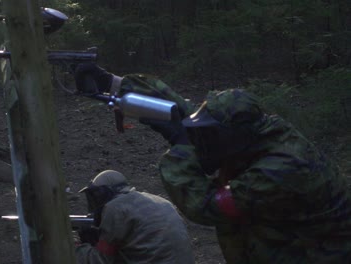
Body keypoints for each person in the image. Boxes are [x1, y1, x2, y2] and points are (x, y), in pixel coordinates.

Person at [74, 64, 351, 263]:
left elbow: (204, 206)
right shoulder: (253, 130)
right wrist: (113, 84)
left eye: (208, 136)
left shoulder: (282, 169)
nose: (203, 139)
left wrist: (183, 149)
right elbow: (184, 110)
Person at [74, 169, 195, 263]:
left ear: (102, 193)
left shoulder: (115, 208)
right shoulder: (159, 200)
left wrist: (76, 248)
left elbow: (100, 260)